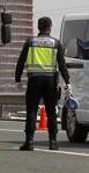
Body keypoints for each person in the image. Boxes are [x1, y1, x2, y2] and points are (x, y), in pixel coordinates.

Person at [15, 16, 71, 151]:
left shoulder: (30, 42)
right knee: (51, 111)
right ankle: (53, 142)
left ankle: (29, 142)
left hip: (34, 80)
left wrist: (18, 78)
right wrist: (67, 82)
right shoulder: (56, 43)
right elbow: (62, 65)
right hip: (50, 81)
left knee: (32, 110)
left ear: (38, 27)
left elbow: (21, 61)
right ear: (50, 28)